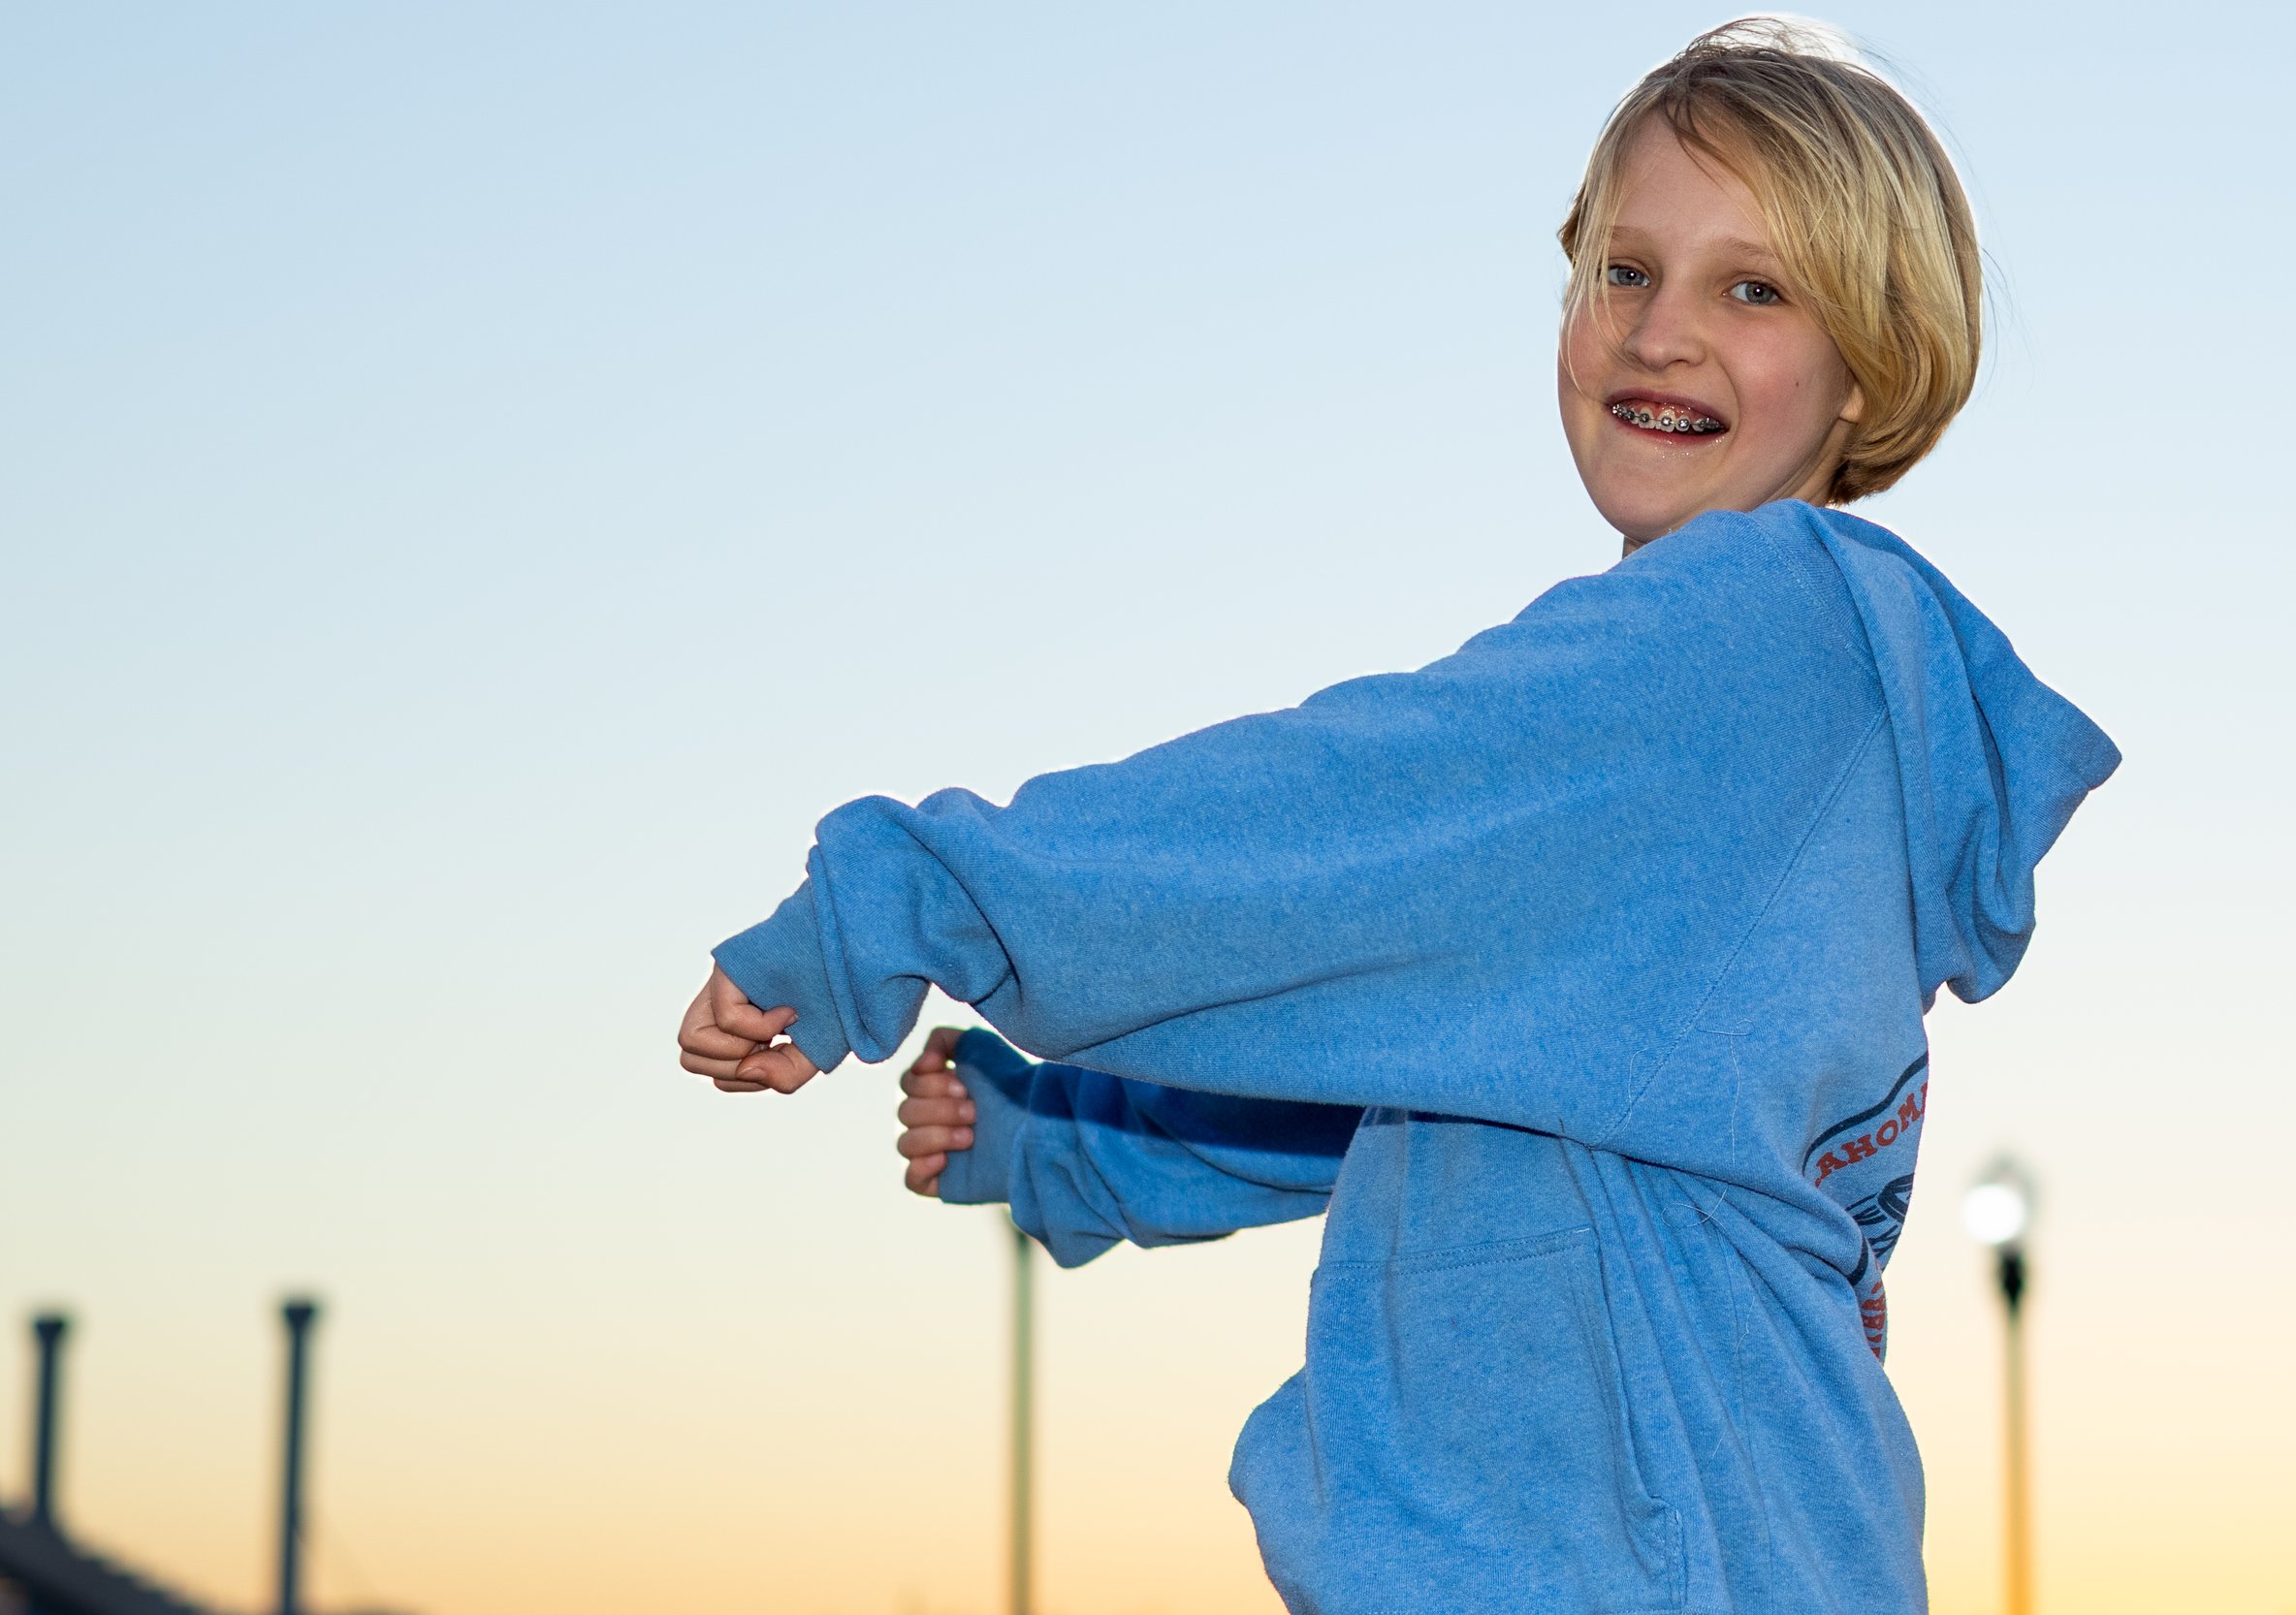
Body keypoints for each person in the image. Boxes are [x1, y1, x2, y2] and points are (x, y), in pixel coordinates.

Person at [677, 17, 2119, 1612]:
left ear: (1873, 368)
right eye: (1624, 271)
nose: (1662, 332)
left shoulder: (1753, 631)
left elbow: (1326, 834)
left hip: (1639, 1563)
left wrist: (907, 901)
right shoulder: (1764, 723)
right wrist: (1072, 1136)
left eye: (1755, 288)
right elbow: (1477, 1112)